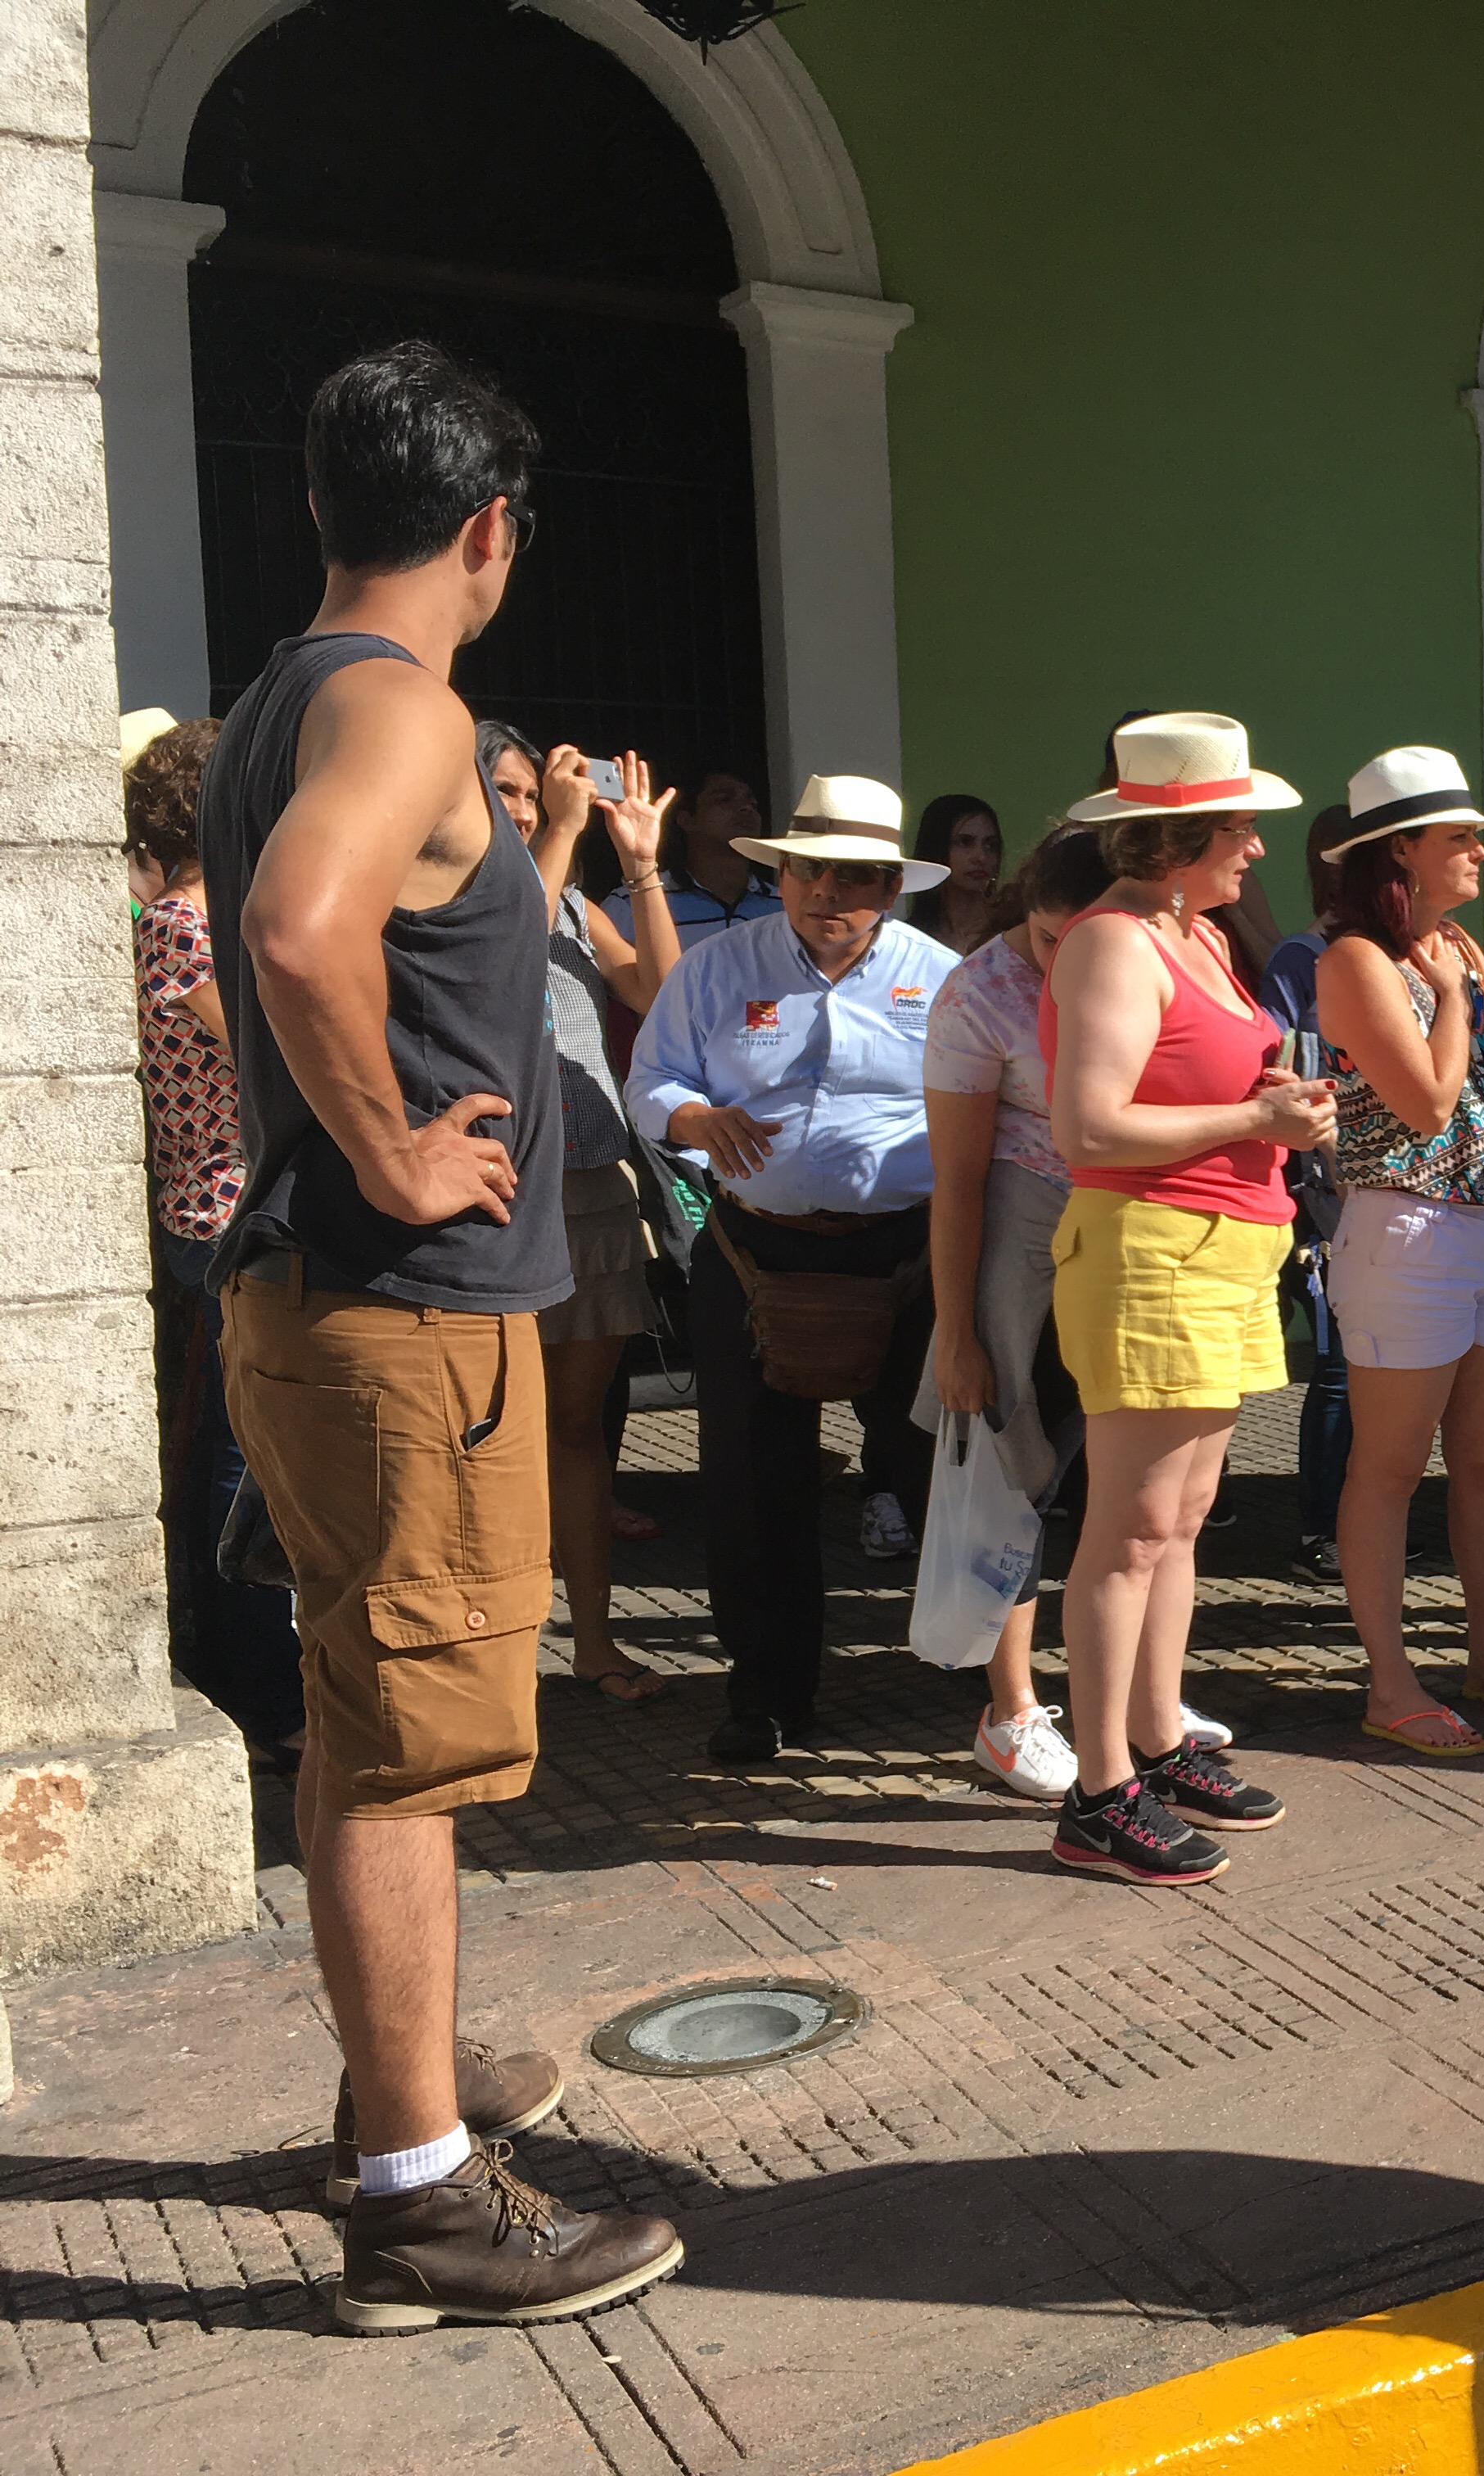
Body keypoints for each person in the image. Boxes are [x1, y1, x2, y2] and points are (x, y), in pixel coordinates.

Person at [202, 341, 679, 2328]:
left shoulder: (277, 700)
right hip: (400, 1315)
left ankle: (392, 2082)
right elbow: (305, 931)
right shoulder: (402, 705)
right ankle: (419, 2198)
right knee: (405, 1746)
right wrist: (397, 1154)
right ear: (489, 531)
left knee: (362, 1714)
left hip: (330, 1307)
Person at [1036, 712, 1329, 1882]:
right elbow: (1087, 1125)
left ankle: (1156, 1739)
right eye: (1240, 824)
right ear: (1179, 833)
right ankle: (1098, 1789)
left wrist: (1269, 1103)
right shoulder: (1116, 942)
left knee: (1182, 1517)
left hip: (1219, 1246)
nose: (1257, 845)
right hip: (1153, 1246)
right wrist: (1258, 1118)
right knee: (1131, 1528)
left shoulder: (1188, 932)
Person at [626, 774, 959, 1760]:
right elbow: (652, 1079)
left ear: (891, 889)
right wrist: (695, 1118)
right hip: (752, 1254)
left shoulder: (944, 976)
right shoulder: (714, 970)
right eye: (811, 871)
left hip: (909, 1258)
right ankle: (766, 1696)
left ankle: (989, 1684)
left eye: (855, 878)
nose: (828, 894)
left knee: (939, 1472)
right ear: (783, 874)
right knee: (752, 1486)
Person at [915, 824, 1244, 1797]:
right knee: (1025, 1476)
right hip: (1026, 1236)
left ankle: (1150, 1709)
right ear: (1028, 913)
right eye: (1055, 940)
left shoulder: (1163, 942)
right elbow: (959, 1182)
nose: (1072, 962)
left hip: (1148, 1237)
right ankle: (1011, 1710)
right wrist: (958, 1331)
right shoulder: (980, 990)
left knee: (1153, 1501)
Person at [1315, 744, 1484, 1759]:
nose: (1479, 850)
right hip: (1409, 1229)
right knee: (1388, 1469)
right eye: (1459, 838)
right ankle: (1390, 1683)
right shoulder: (1355, 961)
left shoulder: (1458, 949)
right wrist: (1454, 1005)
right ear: (1400, 854)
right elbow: (1427, 1106)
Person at [124, 709, 306, 1769]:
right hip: (226, 1216)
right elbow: (270, 1046)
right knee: (247, 1467)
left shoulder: (207, 916)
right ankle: (257, 1692)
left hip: (241, 1213)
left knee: (256, 1457)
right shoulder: (186, 926)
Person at [484, 721, 680, 1701]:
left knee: (576, 1430)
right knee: (496, 1434)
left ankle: (596, 1643)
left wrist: (641, 869)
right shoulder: (450, 896)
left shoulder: (571, 902)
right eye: (508, 791)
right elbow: (504, 960)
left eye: (535, 794)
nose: (525, 809)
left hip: (595, 1191)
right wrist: (560, 834)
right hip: (498, 1201)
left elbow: (665, 992)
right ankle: (498, 1656)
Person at [1256, 803, 1357, 1581]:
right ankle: (1319, 1531)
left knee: (1367, 1370)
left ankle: (1361, 1526)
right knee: (1335, 1368)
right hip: (1320, 1200)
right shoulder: (1299, 959)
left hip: (1388, 1198)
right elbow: (1278, 1073)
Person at [603, 762, 781, 952]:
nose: (746, 808)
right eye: (724, 800)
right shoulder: (629, 903)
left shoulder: (784, 906)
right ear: (687, 820)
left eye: (752, 803)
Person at [907, 792, 1008, 952]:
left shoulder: (1012, 933)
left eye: (990, 845)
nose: (981, 857)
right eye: (965, 843)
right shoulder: (909, 939)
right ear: (936, 848)